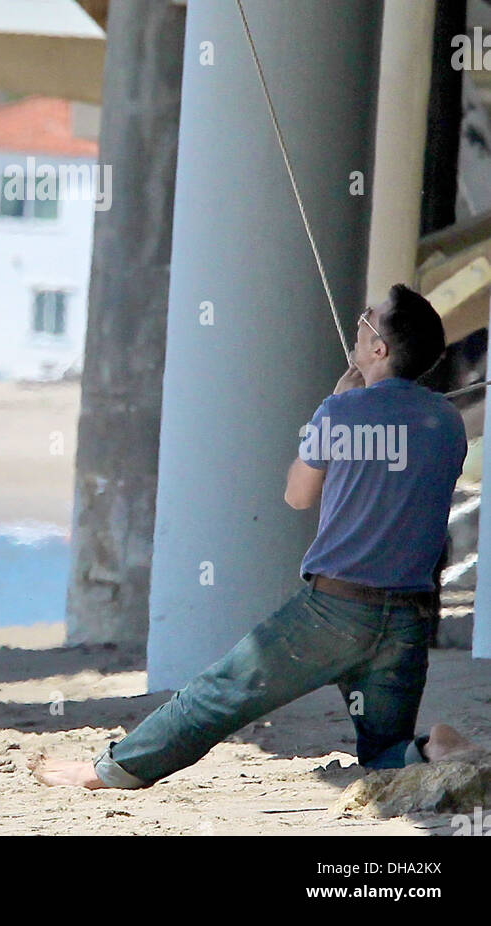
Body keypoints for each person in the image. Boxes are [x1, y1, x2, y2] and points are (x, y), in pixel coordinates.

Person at [30, 284, 480, 790]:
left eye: (368, 320)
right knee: (382, 756)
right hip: (410, 618)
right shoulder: (447, 420)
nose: (359, 325)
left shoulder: (340, 411)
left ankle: (109, 771)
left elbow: (297, 494)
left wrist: (331, 408)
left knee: (221, 691)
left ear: (380, 349)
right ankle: (434, 746)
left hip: (335, 612)